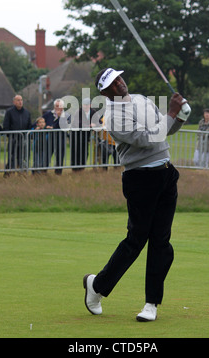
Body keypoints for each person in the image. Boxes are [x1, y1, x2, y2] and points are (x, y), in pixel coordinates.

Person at [83, 68, 190, 322]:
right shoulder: (112, 116)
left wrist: (180, 118)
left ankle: (151, 303)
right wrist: (172, 113)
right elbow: (146, 139)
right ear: (105, 92)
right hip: (140, 179)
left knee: (161, 242)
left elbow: (165, 131)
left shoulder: (142, 99)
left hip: (166, 173)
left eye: (119, 78)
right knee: (136, 241)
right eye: (112, 83)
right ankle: (97, 286)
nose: (119, 83)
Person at [3, 95, 32, 175]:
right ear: (14, 102)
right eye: (18, 100)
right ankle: (8, 174)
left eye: (21, 100)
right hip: (13, 139)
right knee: (12, 158)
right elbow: (6, 125)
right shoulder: (9, 112)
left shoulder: (27, 112)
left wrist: (29, 135)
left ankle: (21, 174)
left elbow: (29, 126)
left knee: (22, 158)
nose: (20, 102)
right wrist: (10, 136)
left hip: (23, 140)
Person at [70, 98, 100, 171]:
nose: (85, 106)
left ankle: (82, 167)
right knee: (75, 151)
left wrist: (95, 124)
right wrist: (89, 125)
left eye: (87, 105)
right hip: (76, 135)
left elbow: (98, 121)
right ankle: (74, 168)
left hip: (85, 136)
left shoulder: (93, 112)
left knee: (84, 151)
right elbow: (77, 122)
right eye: (84, 105)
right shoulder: (78, 112)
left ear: (90, 105)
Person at [43, 99, 70, 175]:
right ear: (54, 106)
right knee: (47, 155)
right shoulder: (48, 114)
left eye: (60, 106)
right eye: (57, 106)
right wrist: (45, 127)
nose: (58, 108)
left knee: (60, 156)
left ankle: (58, 173)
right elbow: (40, 122)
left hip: (61, 138)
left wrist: (59, 117)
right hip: (50, 138)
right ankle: (43, 172)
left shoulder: (67, 115)